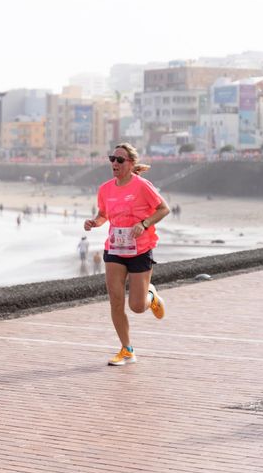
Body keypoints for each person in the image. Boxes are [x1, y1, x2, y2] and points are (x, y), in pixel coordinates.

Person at [84, 143, 170, 366]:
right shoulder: (105, 189)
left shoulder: (142, 186)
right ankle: (127, 349)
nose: (115, 163)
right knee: (115, 300)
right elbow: (104, 214)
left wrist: (145, 223)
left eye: (120, 160)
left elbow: (164, 209)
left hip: (140, 249)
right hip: (115, 248)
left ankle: (150, 296)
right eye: (112, 158)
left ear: (130, 164)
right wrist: (95, 222)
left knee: (137, 306)